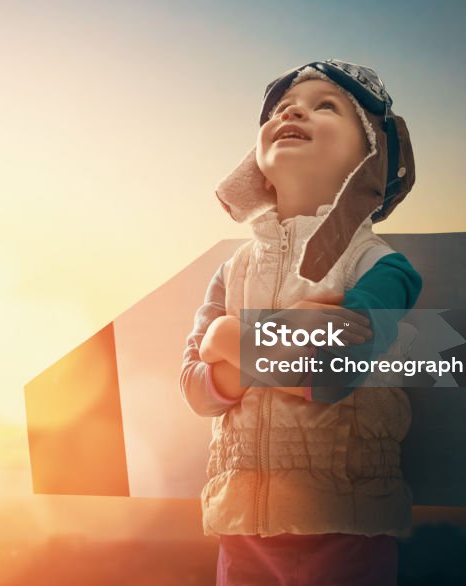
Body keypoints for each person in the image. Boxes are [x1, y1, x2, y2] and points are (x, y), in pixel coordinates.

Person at [178, 60, 423, 586]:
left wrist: (230, 341)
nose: (294, 109)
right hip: (241, 532)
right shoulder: (232, 270)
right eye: (286, 105)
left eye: (326, 105)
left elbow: (332, 374)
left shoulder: (381, 267)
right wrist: (287, 330)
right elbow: (197, 391)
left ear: (371, 156)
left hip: (346, 529)